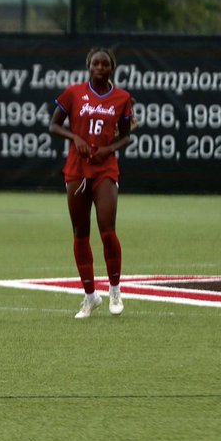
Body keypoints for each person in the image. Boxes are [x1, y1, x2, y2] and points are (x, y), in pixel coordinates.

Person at [49, 47, 134, 319]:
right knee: (80, 232)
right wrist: (75, 137)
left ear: (112, 68)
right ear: (88, 66)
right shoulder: (74, 93)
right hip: (76, 168)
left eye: (104, 64)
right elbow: (53, 125)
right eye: (95, 63)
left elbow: (126, 135)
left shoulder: (122, 98)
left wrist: (110, 149)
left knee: (107, 231)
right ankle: (89, 296)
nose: (99, 68)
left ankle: (115, 290)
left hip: (105, 168)